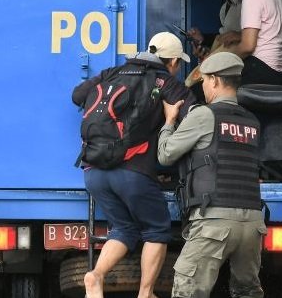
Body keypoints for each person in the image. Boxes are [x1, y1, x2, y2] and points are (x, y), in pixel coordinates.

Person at [73, 32, 196, 298]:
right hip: (132, 172)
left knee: (124, 228)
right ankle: (145, 293)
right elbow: (193, 114)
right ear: (173, 61)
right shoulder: (164, 80)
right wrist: (169, 118)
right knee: (156, 229)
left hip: (93, 171)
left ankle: (96, 275)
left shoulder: (112, 72)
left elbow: (78, 95)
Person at [158, 52, 265, 298]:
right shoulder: (252, 121)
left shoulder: (204, 115)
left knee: (188, 290)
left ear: (215, 81)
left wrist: (169, 121)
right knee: (247, 292)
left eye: (204, 81)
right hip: (252, 225)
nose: (203, 87)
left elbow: (165, 155)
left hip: (214, 222)